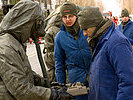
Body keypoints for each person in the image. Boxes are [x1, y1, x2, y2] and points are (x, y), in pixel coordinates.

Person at [0, 0, 73, 100]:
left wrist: (44, 83)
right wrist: (52, 95)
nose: (39, 27)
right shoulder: (5, 46)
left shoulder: (15, 43)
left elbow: (25, 72)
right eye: (38, 22)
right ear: (27, 21)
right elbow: (21, 89)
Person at [78, 6, 133, 100]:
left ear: (95, 25)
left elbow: (128, 81)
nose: (84, 33)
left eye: (86, 29)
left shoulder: (117, 43)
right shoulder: (100, 41)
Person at [54, 2, 91, 100]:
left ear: (76, 16)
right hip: (76, 81)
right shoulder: (59, 37)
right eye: (64, 17)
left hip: (94, 76)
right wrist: (61, 87)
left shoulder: (87, 31)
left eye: (70, 16)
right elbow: (59, 63)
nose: (68, 20)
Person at [44, 12, 62, 82]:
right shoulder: (56, 30)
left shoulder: (50, 29)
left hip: (49, 55)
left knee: (51, 73)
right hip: (53, 54)